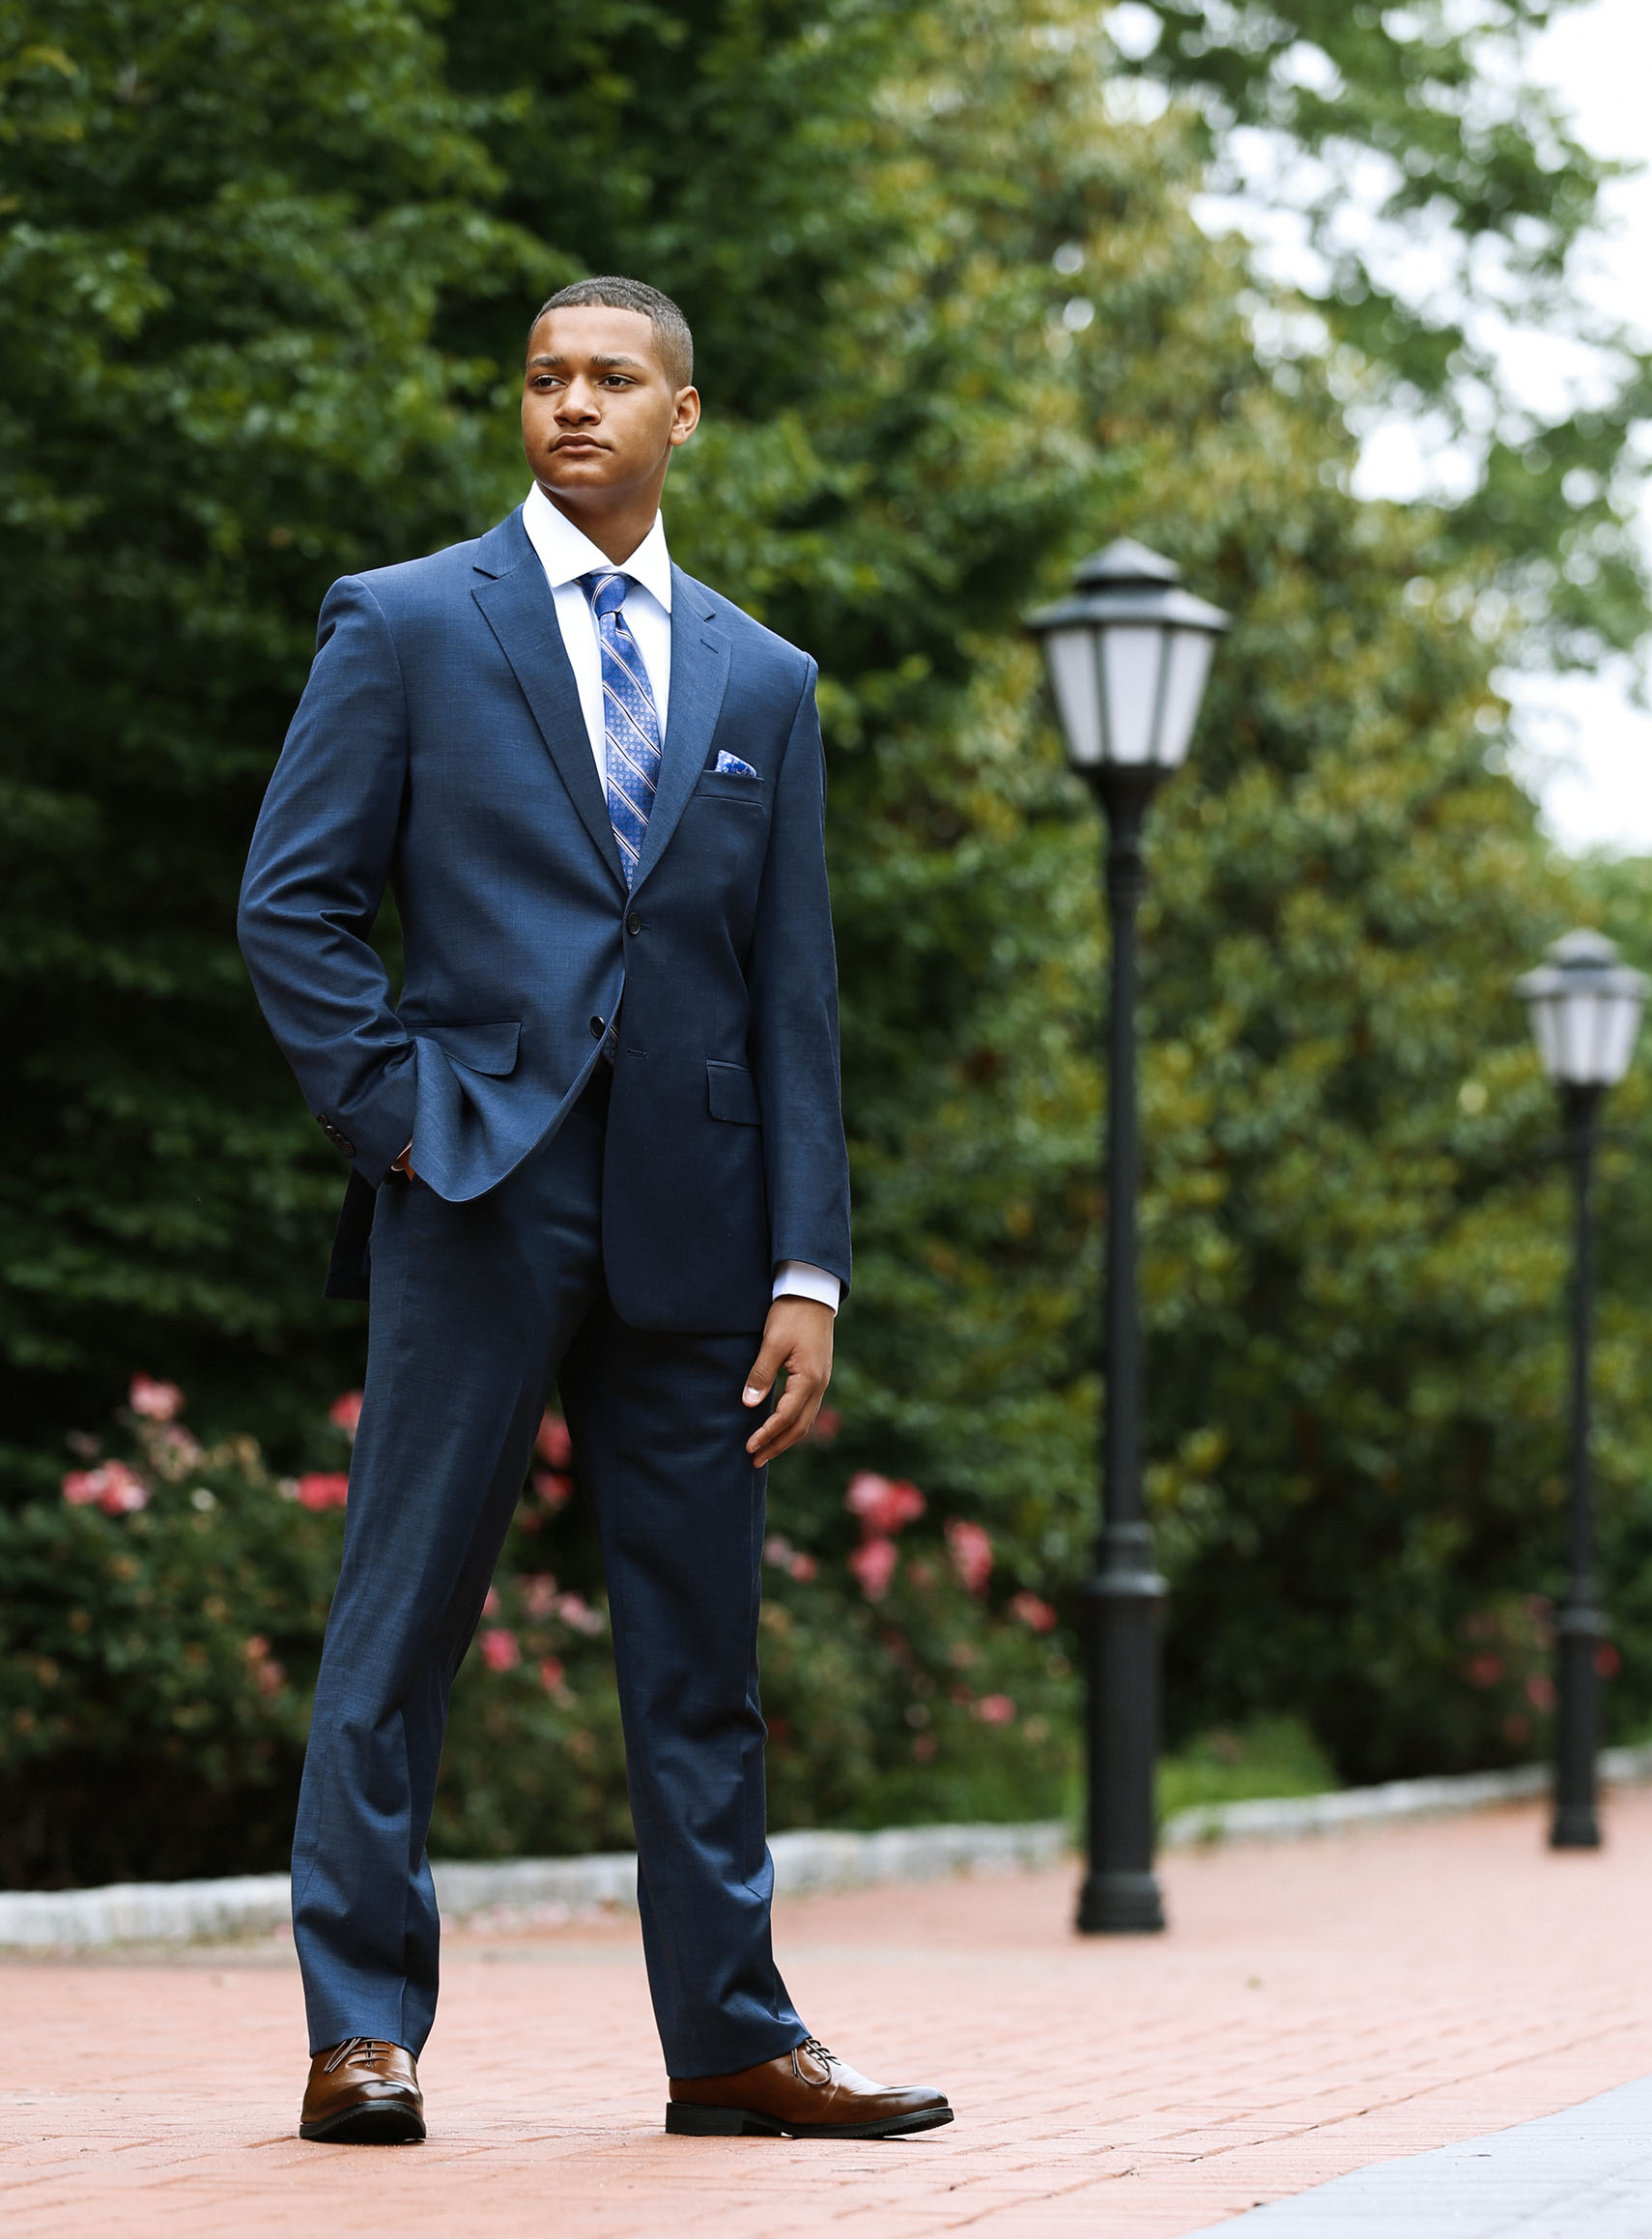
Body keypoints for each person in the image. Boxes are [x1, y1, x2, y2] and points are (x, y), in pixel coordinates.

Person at [238, 275, 951, 2146]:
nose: (572, 405)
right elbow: (292, 906)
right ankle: (358, 2029)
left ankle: (726, 2036)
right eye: (545, 378)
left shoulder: (764, 677)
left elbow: (788, 991)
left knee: (700, 1649)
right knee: (399, 1624)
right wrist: (400, 1121)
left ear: (681, 415)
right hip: (473, 1189)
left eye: (611, 379)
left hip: (701, 1221)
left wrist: (811, 1260)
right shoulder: (403, 625)